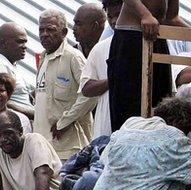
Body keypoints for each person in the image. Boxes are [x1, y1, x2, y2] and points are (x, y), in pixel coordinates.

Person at [108, 0, 180, 132]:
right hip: (131, 37)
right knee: (130, 112)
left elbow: (172, 18)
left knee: (161, 106)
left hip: (157, 38)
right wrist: (145, 14)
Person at [34, 9, 94, 161]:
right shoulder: (43, 57)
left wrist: (64, 122)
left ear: (64, 32)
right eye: (41, 30)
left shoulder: (73, 57)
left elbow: (90, 96)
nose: (45, 34)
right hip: (43, 145)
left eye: (51, 30)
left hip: (69, 147)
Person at [79, 0, 123, 142]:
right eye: (110, 16)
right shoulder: (100, 48)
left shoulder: (148, 44)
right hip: (106, 133)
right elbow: (86, 88)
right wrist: (112, 80)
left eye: (119, 15)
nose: (115, 21)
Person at [0, 23, 35, 119]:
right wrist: (36, 115)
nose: (24, 46)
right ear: (4, 43)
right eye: (20, 42)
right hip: (8, 129)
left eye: (25, 42)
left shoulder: (8, 64)